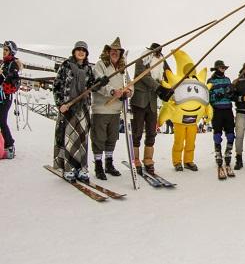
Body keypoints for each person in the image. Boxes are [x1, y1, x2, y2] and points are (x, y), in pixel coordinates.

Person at [53, 41, 104, 181]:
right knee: (69, 138)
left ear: (86, 53)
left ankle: (82, 168)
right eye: (78, 49)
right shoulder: (66, 66)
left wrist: (102, 82)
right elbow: (56, 86)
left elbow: (93, 86)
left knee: (82, 139)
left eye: (84, 50)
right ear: (74, 51)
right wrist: (60, 104)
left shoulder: (88, 68)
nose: (81, 52)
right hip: (68, 107)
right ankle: (69, 168)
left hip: (83, 109)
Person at [90, 37, 131, 180]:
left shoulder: (122, 68)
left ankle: (109, 163)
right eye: (112, 51)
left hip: (115, 110)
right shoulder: (100, 65)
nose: (115, 53)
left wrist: (128, 92)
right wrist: (113, 92)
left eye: (117, 51)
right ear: (108, 51)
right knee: (99, 138)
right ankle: (98, 165)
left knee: (111, 138)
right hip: (101, 109)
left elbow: (130, 84)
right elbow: (98, 83)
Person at [130, 43, 166, 176]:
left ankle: (148, 160)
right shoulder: (143, 59)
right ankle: (136, 160)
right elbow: (145, 76)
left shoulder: (161, 62)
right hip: (139, 101)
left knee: (151, 132)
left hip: (152, 102)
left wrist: (166, 89)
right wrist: (159, 88)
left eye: (159, 52)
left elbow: (163, 78)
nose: (157, 53)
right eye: (156, 51)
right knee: (137, 132)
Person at [207, 59, 236, 179]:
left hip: (228, 109)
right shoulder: (210, 81)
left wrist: (231, 92)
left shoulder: (228, 80)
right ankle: (218, 154)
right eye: (221, 68)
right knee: (217, 134)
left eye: (224, 68)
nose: (223, 70)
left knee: (230, 135)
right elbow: (207, 96)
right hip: (217, 110)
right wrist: (215, 95)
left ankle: (228, 154)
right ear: (216, 68)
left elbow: (232, 96)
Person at [0, 41, 21, 159]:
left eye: (6, 50)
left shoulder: (13, 64)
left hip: (5, 97)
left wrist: (4, 78)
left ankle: (10, 144)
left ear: (11, 52)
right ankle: (4, 143)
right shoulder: (4, 63)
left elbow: (14, 81)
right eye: (3, 49)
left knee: (1, 121)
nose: (4, 52)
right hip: (0, 96)